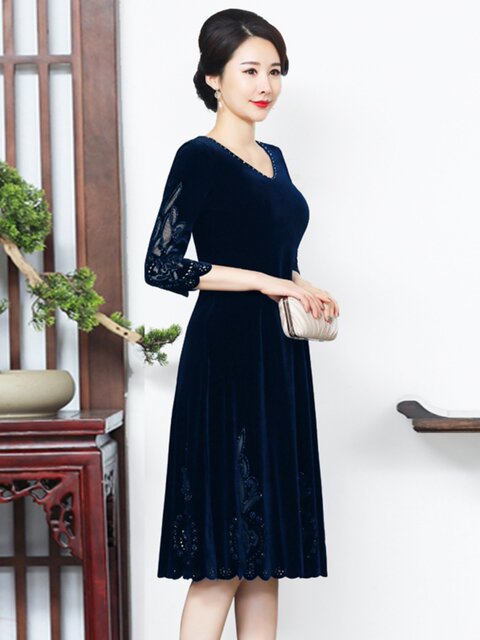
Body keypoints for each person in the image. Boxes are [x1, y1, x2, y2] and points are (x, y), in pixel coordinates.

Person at [144, 8, 340, 640]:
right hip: (226, 359)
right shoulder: (199, 156)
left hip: (277, 359)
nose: (266, 85)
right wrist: (263, 280)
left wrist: (299, 280)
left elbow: (270, 248)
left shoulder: (273, 157)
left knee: (265, 561)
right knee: (223, 561)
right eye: (250, 70)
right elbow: (161, 265)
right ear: (212, 78)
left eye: (275, 71)